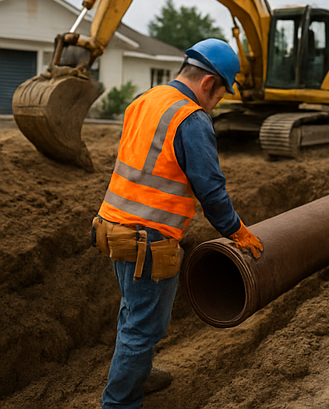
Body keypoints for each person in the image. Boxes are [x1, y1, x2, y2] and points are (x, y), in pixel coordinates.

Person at [94, 39, 263, 406]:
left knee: (134, 311)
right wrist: (236, 230)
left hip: (112, 225)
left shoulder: (145, 100)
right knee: (143, 326)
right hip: (148, 238)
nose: (216, 103)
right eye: (220, 94)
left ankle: (137, 372)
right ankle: (119, 402)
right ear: (208, 84)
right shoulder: (190, 117)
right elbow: (210, 189)